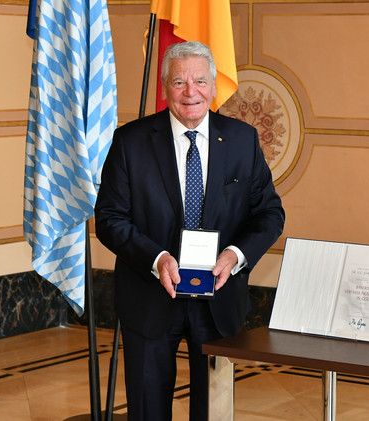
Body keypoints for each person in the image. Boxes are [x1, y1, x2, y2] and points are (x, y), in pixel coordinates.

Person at [95, 41, 285, 421]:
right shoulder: (130, 141)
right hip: (150, 297)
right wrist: (157, 258)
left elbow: (269, 213)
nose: (190, 91)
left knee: (213, 412)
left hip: (219, 298)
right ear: (165, 87)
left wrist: (236, 255)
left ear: (214, 87)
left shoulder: (242, 140)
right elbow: (110, 219)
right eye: (179, 81)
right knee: (147, 411)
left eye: (200, 80)